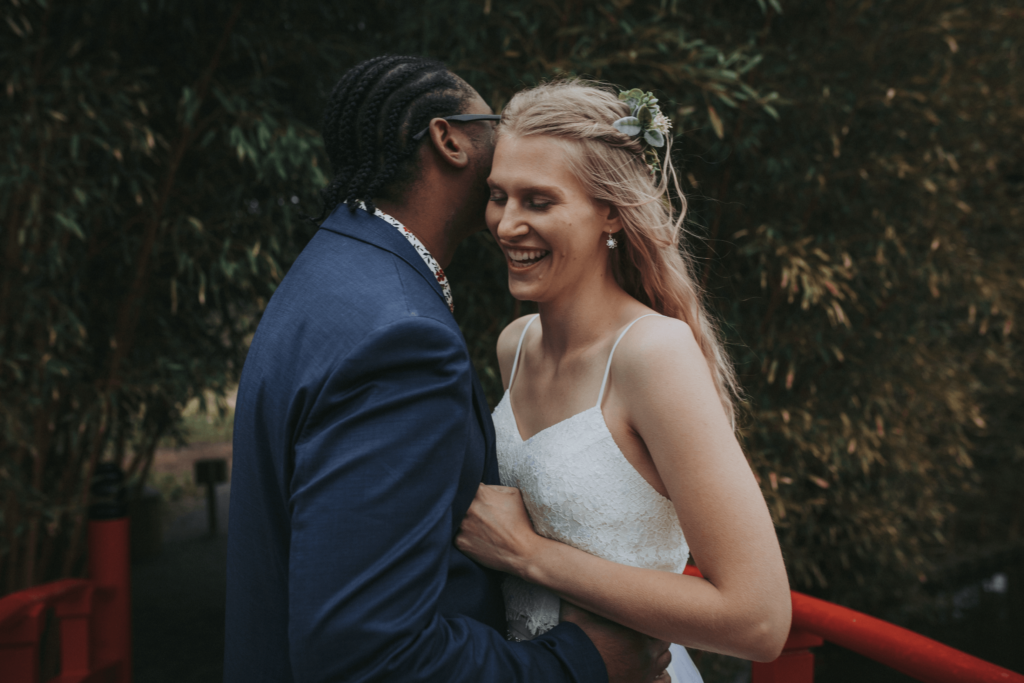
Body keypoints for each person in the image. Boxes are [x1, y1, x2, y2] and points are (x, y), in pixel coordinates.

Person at [224, 56, 672, 683]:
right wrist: (579, 662)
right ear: (450, 139)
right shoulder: (400, 335)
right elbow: (369, 654)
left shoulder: (325, 273)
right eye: (494, 122)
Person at [454, 80, 793, 682]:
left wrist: (530, 555)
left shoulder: (653, 354)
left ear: (611, 210)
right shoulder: (516, 344)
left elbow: (759, 621)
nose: (506, 225)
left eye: (538, 201)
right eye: (498, 196)